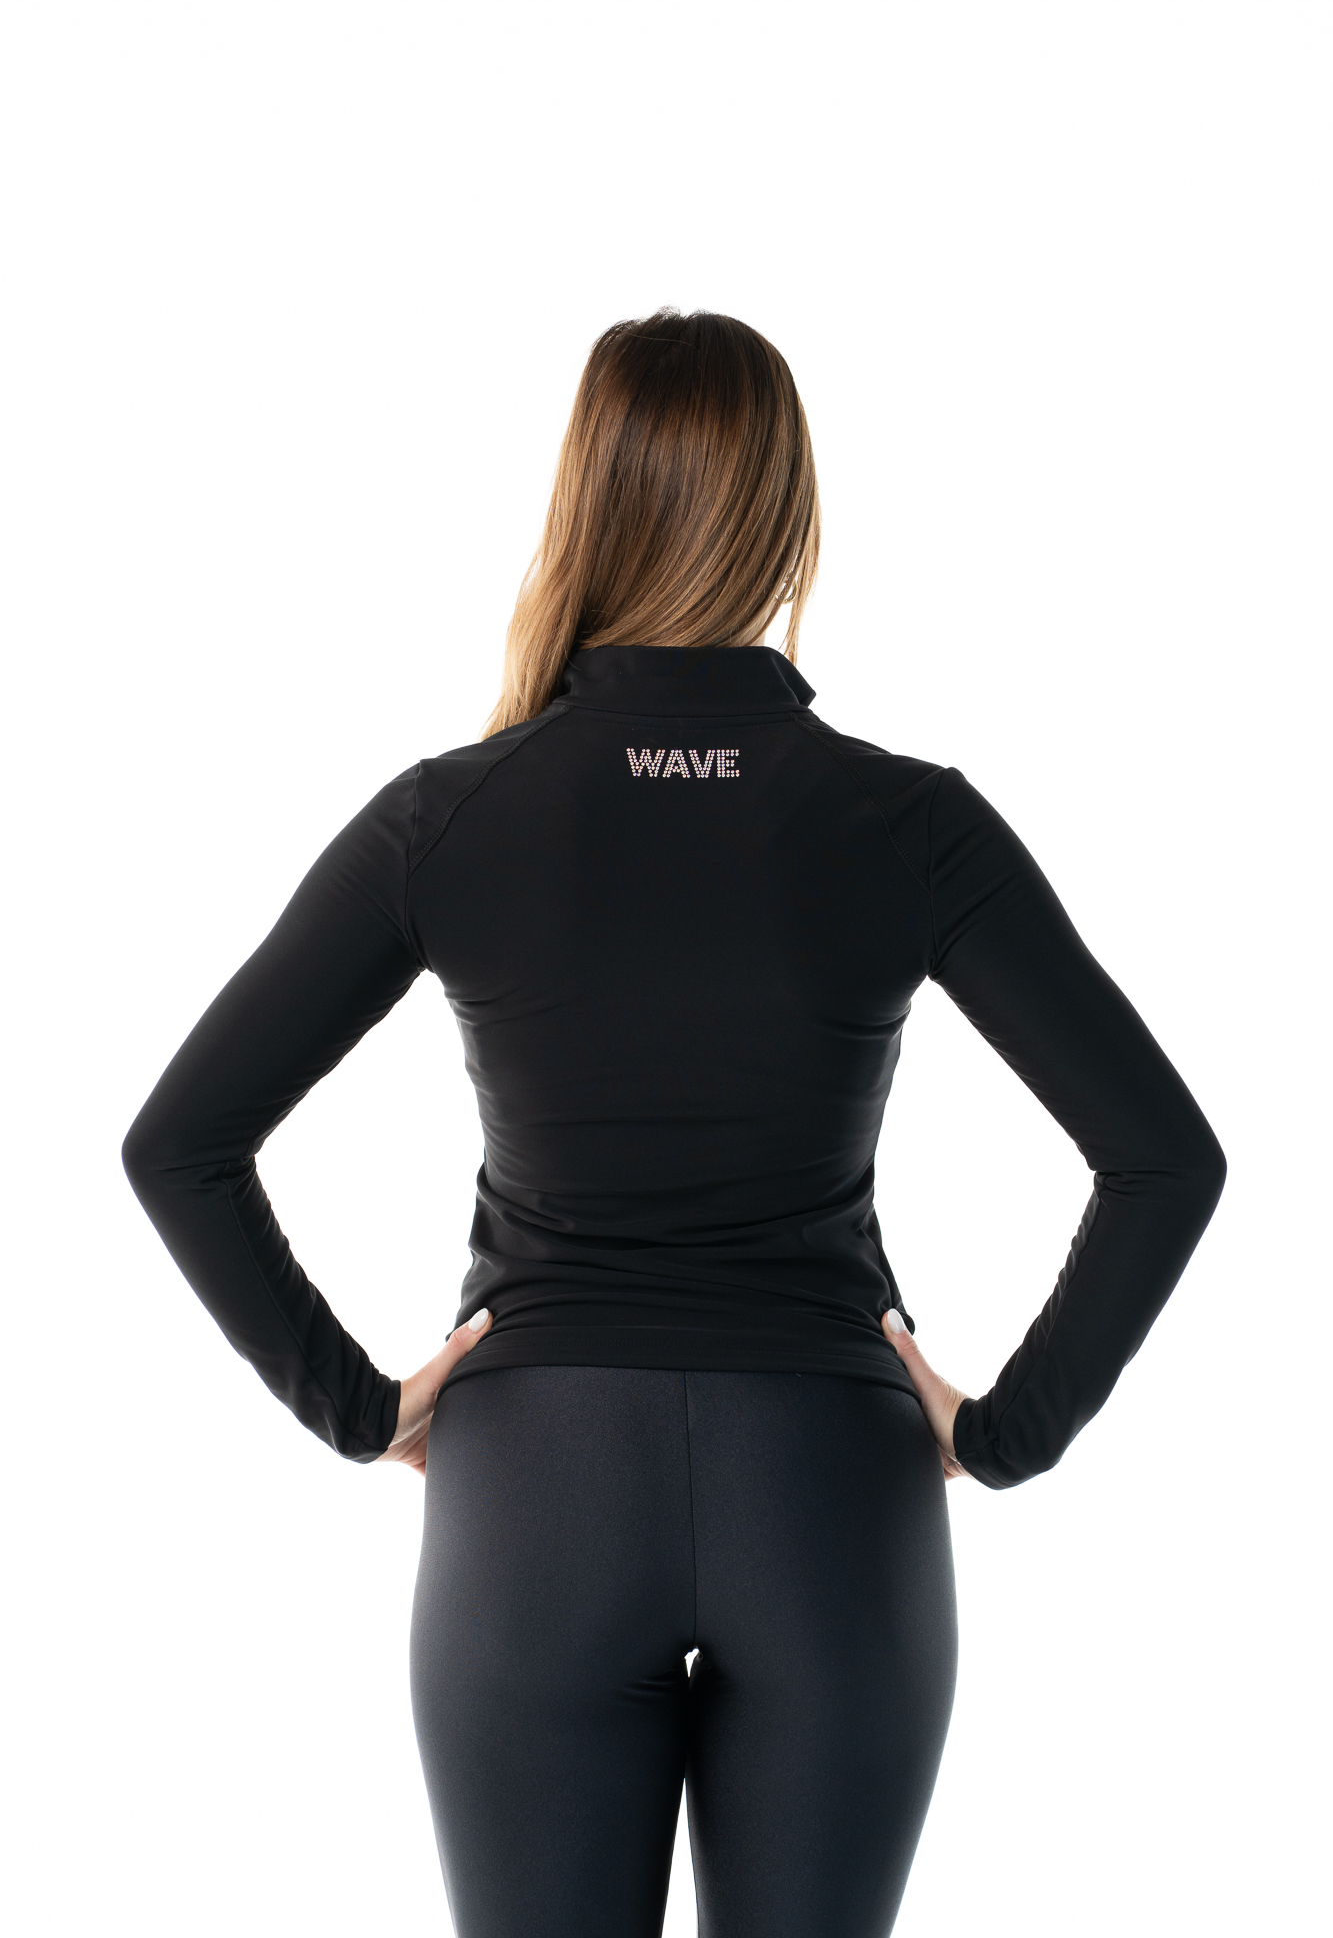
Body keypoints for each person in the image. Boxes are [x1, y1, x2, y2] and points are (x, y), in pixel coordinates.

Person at [122, 308, 1226, 1938]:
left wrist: (358, 1409)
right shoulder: (905, 820)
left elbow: (180, 1145)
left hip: (535, 1500)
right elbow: (1162, 1159)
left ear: (584, 501)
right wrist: (1005, 1433)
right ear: (789, 516)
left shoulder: (450, 816)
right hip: (831, 1493)